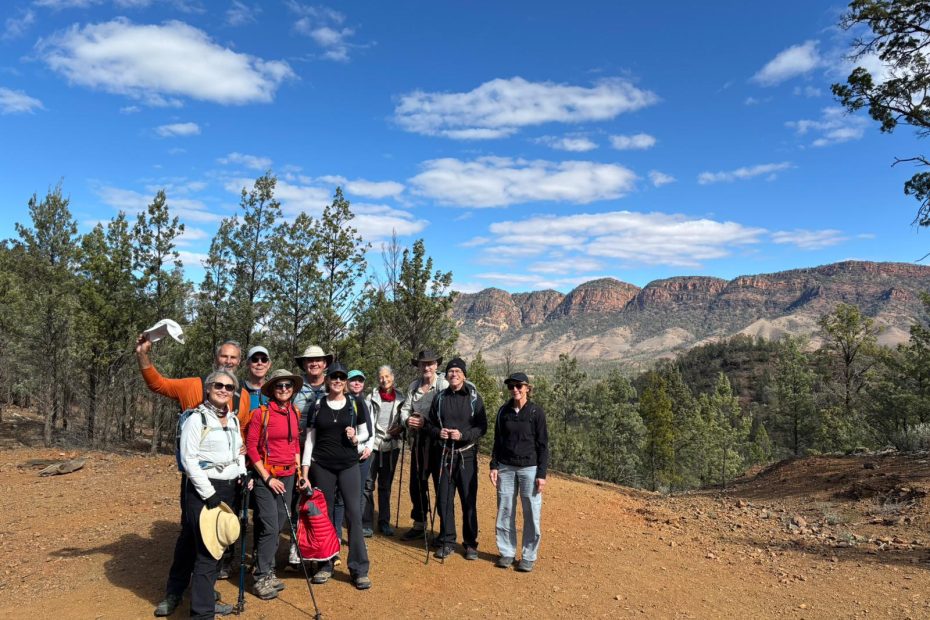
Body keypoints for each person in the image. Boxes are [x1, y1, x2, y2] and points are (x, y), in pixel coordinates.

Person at [137, 335, 249, 617]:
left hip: (229, 483)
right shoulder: (193, 392)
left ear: (239, 362)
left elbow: (239, 439)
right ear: (215, 359)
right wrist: (143, 354)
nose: (228, 362)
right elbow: (158, 384)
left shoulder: (240, 402)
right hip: (200, 484)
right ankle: (177, 593)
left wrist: (242, 468)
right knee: (192, 539)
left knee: (214, 543)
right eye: (224, 356)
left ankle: (204, 596)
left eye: (233, 358)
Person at [178, 370, 250, 620]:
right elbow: (189, 460)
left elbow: (239, 451)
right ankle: (202, 614)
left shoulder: (233, 420)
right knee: (207, 553)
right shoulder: (196, 419)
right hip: (204, 491)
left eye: (229, 387)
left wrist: (243, 473)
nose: (223, 390)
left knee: (219, 548)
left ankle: (206, 601)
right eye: (218, 385)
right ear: (208, 388)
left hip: (229, 488)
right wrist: (209, 494)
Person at [299, 363, 372, 590]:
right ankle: (325, 564)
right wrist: (305, 472)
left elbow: (365, 433)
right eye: (334, 377)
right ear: (327, 380)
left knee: (354, 514)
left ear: (345, 381)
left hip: (349, 465)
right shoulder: (317, 405)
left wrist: (356, 438)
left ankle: (359, 568)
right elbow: (310, 441)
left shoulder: (355, 403)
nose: (338, 381)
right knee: (325, 515)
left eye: (341, 377)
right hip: (322, 466)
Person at [246, 369, 303, 600]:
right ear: (272, 390)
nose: (284, 389)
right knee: (269, 525)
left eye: (288, 385)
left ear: (293, 389)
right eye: (279, 386)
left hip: (288, 476)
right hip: (266, 477)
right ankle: (261, 576)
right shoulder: (261, 414)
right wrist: (267, 478)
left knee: (278, 524)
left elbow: (295, 443)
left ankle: (268, 569)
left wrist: (299, 472)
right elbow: (251, 447)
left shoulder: (294, 412)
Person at [427, 357, 487, 560]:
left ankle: (470, 544)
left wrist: (463, 435)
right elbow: (430, 425)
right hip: (444, 455)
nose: (454, 374)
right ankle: (447, 541)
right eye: (451, 371)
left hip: (466, 456)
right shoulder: (440, 398)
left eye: (458, 371)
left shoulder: (474, 398)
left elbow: (482, 427)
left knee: (468, 499)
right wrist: (438, 433)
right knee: (444, 499)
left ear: (464, 375)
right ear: (446, 375)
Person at [489, 372, 549, 572]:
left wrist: (541, 474)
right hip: (505, 467)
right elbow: (498, 441)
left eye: (519, 386)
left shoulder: (536, 412)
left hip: (529, 469)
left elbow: (543, 445)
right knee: (505, 510)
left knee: (531, 512)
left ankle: (528, 556)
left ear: (527, 388)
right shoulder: (503, 411)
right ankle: (507, 552)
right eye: (511, 386)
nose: (514, 389)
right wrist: (494, 465)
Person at [289, 344, 333, 567]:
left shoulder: (333, 384)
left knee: (322, 500)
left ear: (325, 363)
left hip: (324, 453)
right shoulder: (295, 388)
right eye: (309, 360)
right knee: (297, 499)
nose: (314, 363)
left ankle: (324, 550)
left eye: (318, 360)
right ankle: (297, 549)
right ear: (304, 364)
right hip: (297, 451)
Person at [399, 349, 448, 541]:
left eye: (430, 363)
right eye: (423, 364)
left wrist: (427, 423)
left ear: (436, 365)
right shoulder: (414, 386)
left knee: (440, 484)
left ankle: (445, 529)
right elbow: (405, 409)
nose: (426, 367)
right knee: (417, 483)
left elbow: (448, 412)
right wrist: (407, 420)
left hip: (438, 442)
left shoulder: (443, 385)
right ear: (418, 366)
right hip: (419, 442)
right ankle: (419, 523)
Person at [363, 365, 405, 536]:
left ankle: (384, 522)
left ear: (392, 377)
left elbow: (405, 419)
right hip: (373, 446)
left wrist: (401, 428)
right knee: (367, 485)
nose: (384, 380)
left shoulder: (401, 398)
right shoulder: (371, 397)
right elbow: (365, 420)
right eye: (381, 377)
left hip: (392, 446)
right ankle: (366, 523)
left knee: (385, 486)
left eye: (387, 376)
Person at [334, 369, 374, 538]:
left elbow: (370, 428)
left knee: (356, 498)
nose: (357, 383)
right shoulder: (342, 401)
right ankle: (336, 534)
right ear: (346, 382)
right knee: (340, 497)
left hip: (363, 456)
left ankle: (355, 537)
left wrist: (369, 447)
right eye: (353, 380)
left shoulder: (367, 402)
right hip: (347, 455)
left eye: (360, 380)